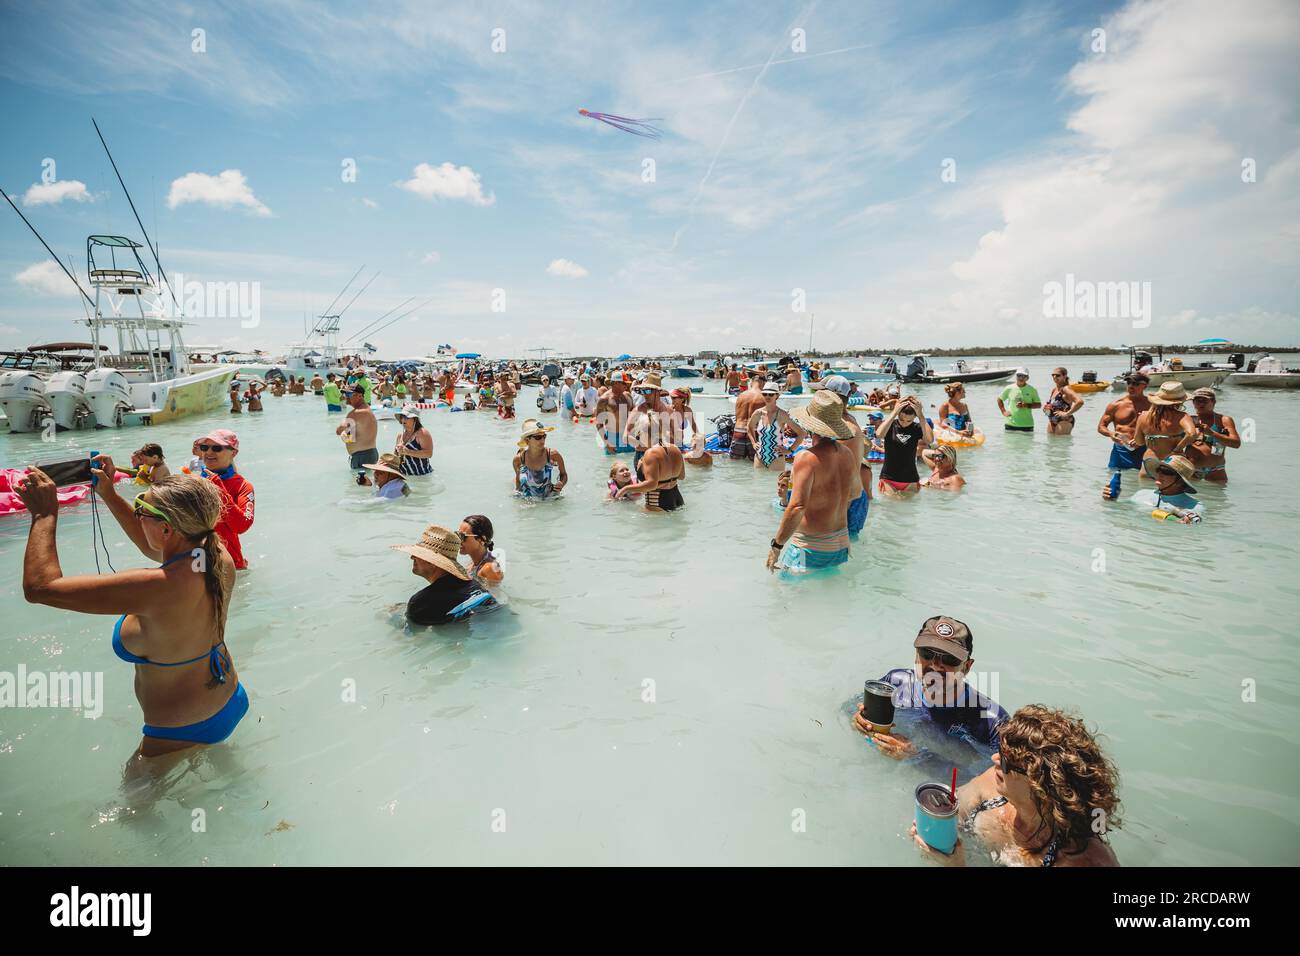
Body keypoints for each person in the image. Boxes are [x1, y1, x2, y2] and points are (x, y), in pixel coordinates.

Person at [18, 466, 245, 757]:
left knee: (133, 802)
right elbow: (148, 542)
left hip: (179, 728)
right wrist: (108, 493)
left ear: (167, 528)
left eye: (142, 509)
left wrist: (44, 514)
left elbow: (40, 588)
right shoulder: (213, 552)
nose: (137, 515)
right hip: (228, 698)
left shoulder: (156, 586)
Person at [912, 704, 1121, 867]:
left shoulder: (1082, 860)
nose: (994, 759)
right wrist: (933, 830)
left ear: (1040, 786)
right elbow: (950, 810)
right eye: (1001, 751)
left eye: (1005, 761)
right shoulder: (990, 788)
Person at [853, 616, 1007, 773]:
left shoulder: (991, 721)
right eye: (926, 653)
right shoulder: (896, 683)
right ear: (916, 655)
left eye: (949, 659)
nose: (935, 665)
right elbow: (849, 708)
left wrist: (917, 757)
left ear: (967, 667)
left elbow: (1000, 781)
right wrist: (858, 720)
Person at [767, 390, 854, 573]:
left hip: (810, 548)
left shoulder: (806, 457)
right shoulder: (847, 454)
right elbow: (852, 495)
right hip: (841, 545)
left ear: (809, 425)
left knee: (786, 594)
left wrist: (777, 545)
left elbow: (797, 506)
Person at [391, 525, 496, 626]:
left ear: (432, 562)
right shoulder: (475, 585)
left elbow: (414, 637)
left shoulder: (421, 602)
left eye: (418, 554)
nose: (412, 557)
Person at [191, 429, 255, 570]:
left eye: (217, 448)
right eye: (204, 447)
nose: (208, 452)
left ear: (234, 452)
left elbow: (241, 526)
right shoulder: (195, 482)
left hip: (231, 565)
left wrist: (218, 489)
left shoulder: (243, 486)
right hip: (197, 561)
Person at [816, 376, 868, 537]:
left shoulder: (843, 427)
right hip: (853, 495)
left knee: (836, 551)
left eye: (821, 393)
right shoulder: (850, 420)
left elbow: (837, 472)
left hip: (845, 499)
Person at [1133, 382, 1196, 472]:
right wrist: (1177, 450)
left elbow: (1139, 442)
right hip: (1172, 463)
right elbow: (1192, 434)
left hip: (1149, 463)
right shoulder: (1182, 416)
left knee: (1145, 486)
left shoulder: (1143, 416)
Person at [875, 395, 931, 496]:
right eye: (901, 419)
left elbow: (929, 440)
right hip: (888, 478)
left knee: (908, 510)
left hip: (910, 479)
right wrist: (894, 413)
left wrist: (921, 415)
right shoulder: (890, 425)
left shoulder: (917, 427)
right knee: (891, 509)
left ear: (915, 417)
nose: (905, 423)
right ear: (898, 414)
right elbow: (879, 435)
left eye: (909, 421)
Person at [1125, 454, 1204, 522]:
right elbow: (1121, 507)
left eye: (1166, 471)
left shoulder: (1194, 506)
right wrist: (1113, 499)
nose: (1159, 473)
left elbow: (1196, 520)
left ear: (1180, 481)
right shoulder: (1141, 493)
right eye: (1158, 469)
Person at [1097, 373, 1150, 470]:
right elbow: (1101, 427)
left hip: (1145, 448)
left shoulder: (1152, 405)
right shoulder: (1116, 405)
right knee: (1115, 479)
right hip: (1121, 449)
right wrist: (1111, 434)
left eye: (1135, 383)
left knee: (1144, 482)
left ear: (1145, 386)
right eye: (1129, 382)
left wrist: (1144, 438)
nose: (1131, 386)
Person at [1185, 387, 1239, 482]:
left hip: (1216, 470)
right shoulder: (1188, 420)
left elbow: (1236, 444)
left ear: (1213, 402)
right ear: (1193, 403)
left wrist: (1212, 433)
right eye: (1197, 401)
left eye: (1204, 401)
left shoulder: (1224, 420)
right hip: (1192, 469)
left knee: (1216, 496)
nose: (1201, 404)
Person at [614, 442, 685, 512]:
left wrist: (626, 489)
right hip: (677, 497)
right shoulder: (675, 448)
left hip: (657, 501)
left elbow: (652, 485)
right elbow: (681, 476)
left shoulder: (651, 453)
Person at [748, 382, 804, 470]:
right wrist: (753, 443)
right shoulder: (758, 413)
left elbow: (802, 434)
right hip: (759, 456)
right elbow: (749, 427)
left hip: (777, 457)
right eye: (765, 394)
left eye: (771, 394)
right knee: (758, 482)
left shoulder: (782, 414)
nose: (767, 397)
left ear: (777, 396)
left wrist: (790, 450)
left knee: (775, 483)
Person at [513, 419, 567, 498]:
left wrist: (561, 483)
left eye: (544, 436)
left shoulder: (553, 455)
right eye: (538, 437)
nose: (542, 440)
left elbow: (564, 474)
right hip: (529, 505)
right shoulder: (519, 460)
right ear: (527, 440)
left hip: (551, 502)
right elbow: (518, 484)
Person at [338, 387, 379, 476]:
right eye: (346, 394)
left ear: (360, 396)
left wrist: (342, 433)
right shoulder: (366, 409)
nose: (346, 397)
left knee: (359, 487)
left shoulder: (356, 413)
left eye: (349, 394)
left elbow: (346, 436)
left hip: (361, 457)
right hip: (369, 454)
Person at [730, 376, 767, 461]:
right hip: (754, 432)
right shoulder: (764, 396)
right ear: (763, 383)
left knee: (735, 462)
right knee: (754, 462)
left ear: (751, 382)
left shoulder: (741, 395)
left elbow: (737, 416)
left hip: (739, 430)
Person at [393, 405, 433, 476]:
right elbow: (395, 457)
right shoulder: (400, 436)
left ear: (414, 419)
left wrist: (408, 452)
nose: (403, 420)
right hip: (405, 476)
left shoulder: (422, 433)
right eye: (402, 417)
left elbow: (429, 454)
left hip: (422, 477)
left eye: (406, 417)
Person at [1044, 368, 1082, 435]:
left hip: (1064, 421)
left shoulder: (1066, 389)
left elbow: (1080, 402)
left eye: (1058, 375)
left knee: (1061, 444)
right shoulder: (1054, 389)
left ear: (1064, 376)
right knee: (1050, 444)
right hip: (1052, 421)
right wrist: (1046, 409)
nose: (1054, 377)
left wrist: (1067, 413)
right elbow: (1053, 406)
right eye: (1053, 375)